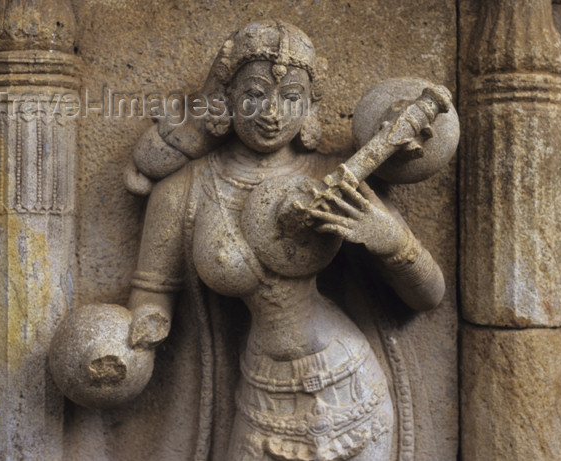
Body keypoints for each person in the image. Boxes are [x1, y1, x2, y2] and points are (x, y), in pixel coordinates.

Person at [123, 20, 446, 461]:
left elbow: (429, 296)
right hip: (262, 390)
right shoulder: (185, 189)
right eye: (254, 94)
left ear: (310, 103)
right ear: (226, 96)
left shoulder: (334, 177)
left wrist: (393, 242)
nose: (272, 112)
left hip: (349, 383)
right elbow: (152, 293)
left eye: (291, 97)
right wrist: (145, 327)